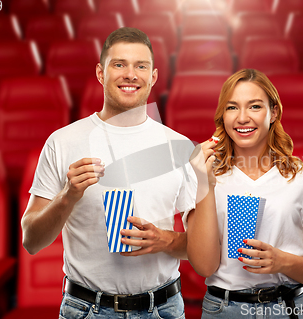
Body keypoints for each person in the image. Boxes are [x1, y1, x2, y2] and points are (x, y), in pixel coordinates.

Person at [21, 27, 197, 318]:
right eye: (119, 65)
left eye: (141, 66)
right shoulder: (62, 141)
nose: (130, 74)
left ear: (153, 77)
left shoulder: (178, 147)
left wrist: (163, 240)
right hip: (87, 309)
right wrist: (68, 196)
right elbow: (31, 241)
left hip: (163, 309)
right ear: (101, 73)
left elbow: (202, 249)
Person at [187, 69, 303, 318]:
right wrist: (206, 184)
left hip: (288, 307)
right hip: (224, 309)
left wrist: (282, 262)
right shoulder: (201, 173)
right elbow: (205, 266)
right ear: (222, 116)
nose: (243, 117)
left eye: (255, 106)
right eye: (232, 108)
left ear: (274, 112)